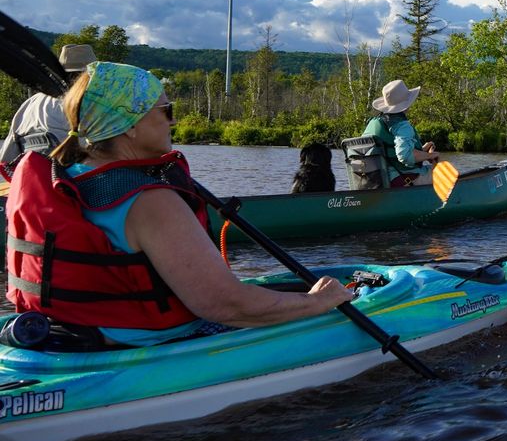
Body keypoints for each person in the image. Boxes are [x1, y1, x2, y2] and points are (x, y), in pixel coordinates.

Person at [5, 61, 352, 347]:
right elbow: (225, 305)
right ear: (129, 125)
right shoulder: (150, 201)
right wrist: (316, 303)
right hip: (141, 342)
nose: (172, 120)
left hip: (68, 334)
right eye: (165, 110)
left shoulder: (70, 176)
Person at [0, 44, 97, 165]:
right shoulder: (92, 105)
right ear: (89, 76)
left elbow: (6, 159)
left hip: (36, 179)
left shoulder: (31, 103)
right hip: (79, 179)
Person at [361, 79, 439, 187]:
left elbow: (390, 150)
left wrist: (423, 150)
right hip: (401, 179)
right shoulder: (402, 125)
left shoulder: (373, 123)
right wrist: (431, 155)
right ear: (406, 104)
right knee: (449, 172)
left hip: (376, 181)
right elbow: (405, 156)